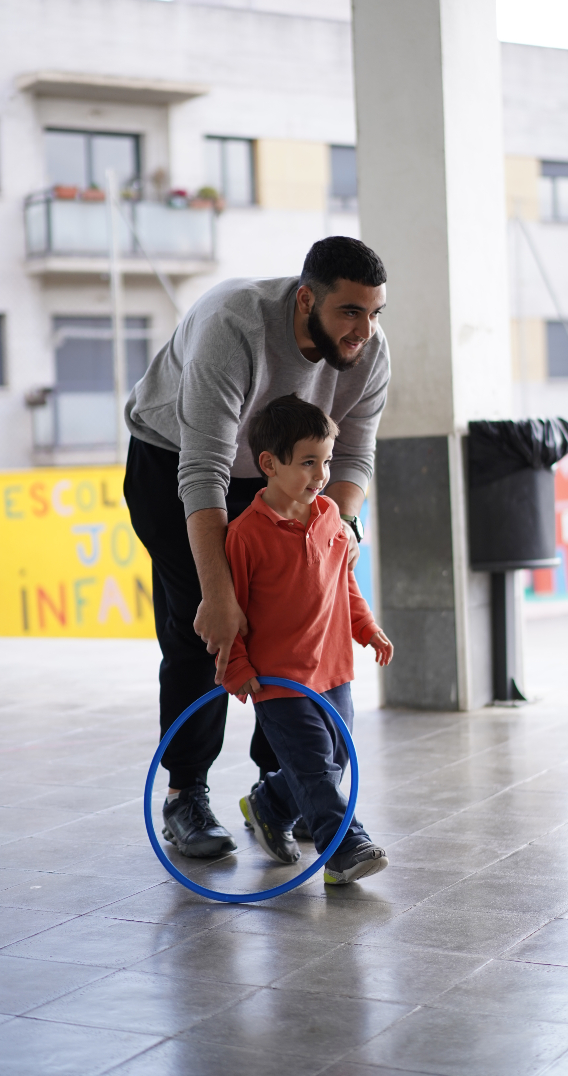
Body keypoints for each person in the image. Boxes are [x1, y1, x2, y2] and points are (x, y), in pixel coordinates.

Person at [124, 235, 390, 858]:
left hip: (288, 475)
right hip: (176, 465)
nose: (364, 331)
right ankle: (186, 794)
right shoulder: (233, 325)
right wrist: (219, 595)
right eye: (349, 312)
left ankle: (285, 787)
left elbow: (354, 454)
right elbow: (203, 472)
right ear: (306, 300)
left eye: (375, 313)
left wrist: (340, 530)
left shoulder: (369, 352)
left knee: (296, 623)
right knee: (206, 628)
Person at [224, 394, 393, 884]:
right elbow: (228, 610)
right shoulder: (245, 535)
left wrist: (365, 627)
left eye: (326, 461)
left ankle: (270, 803)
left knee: (338, 757)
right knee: (317, 767)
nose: (321, 475)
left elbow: (345, 583)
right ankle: (343, 848)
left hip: (332, 668)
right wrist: (236, 665)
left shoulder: (331, 521)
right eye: (308, 463)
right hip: (279, 680)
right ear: (269, 465)